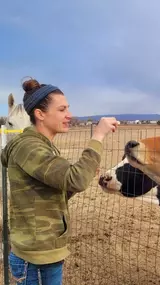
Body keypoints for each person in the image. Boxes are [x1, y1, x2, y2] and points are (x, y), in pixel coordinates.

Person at [1, 77, 119, 285]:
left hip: (44, 253)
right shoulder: (30, 148)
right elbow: (77, 180)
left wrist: (81, 174)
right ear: (40, 114)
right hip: (35, 259)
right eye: (62, 109)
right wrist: (98, 136)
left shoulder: (40, 146)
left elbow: (57, 191)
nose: (69, 115)